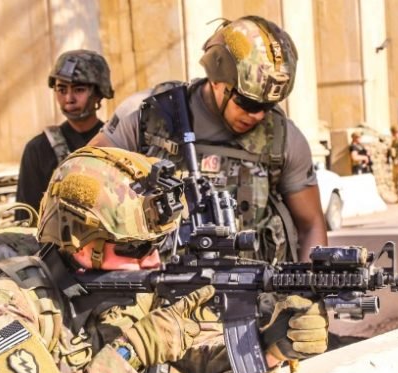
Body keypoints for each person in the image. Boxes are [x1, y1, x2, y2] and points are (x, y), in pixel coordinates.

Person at [0, 146, 328, 373]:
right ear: (80, 241)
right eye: (136, 248)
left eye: (159, 245)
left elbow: (186, 366)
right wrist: (134, 349)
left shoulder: (125, 292)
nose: (152, 260)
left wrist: (268, 346)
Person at [89, 16, 326, 263]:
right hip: (157, 282)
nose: (257, 115)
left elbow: (310, 225)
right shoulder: (147, 117)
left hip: (254, 284)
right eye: (247, 103)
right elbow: (86, 181)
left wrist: (309, 283)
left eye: (267, 106)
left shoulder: (283, 139)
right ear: (216, 81)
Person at [15, 50, 113, 221]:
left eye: (79, 90)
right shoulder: (38, 149)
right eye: (61, 89)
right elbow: (26, 219)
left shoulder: (116, 142)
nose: (69, 98)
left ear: (99, 92)